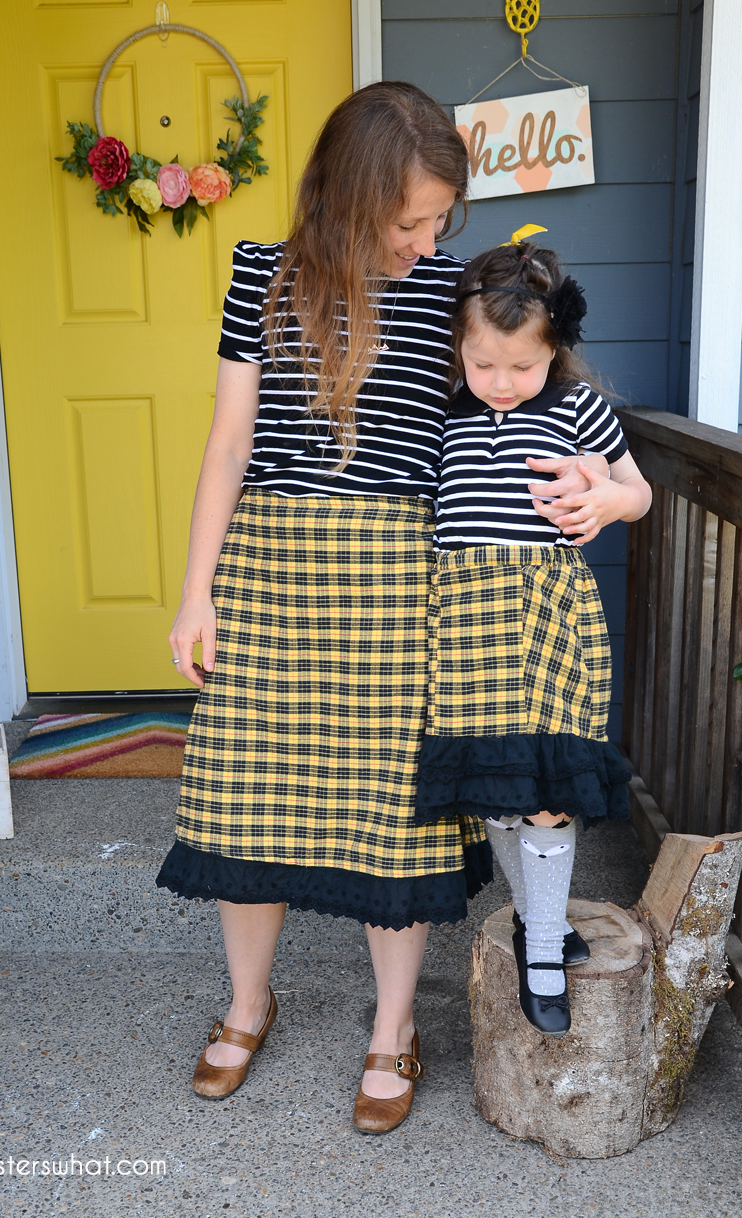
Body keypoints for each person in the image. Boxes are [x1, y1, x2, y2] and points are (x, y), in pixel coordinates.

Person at [156, 85, 601, 1133]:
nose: (423, 237)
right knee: (241, 789)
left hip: (402, 580)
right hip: (269, 569)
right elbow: (228, 444)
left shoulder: (456, 294)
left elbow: (554, 405)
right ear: (349, 197)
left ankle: (391, 1026)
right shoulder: (261, 276)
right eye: (406, 218)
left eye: (437, 218)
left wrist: (609, 493)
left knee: (394, 816)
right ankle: (245, 1003)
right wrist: (193, 593)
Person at [414, 228, 652, 1037]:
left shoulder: (578, 407)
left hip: (551, 617)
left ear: (555, 351)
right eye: (484, 364)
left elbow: (639, 492)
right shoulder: (441, 410)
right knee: (499, 791)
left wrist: (609, 499)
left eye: (524, 366)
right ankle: (532, 919)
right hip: (462, 619)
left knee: (548, 792)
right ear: (461, 346)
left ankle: (544, 950)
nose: (503, 383)